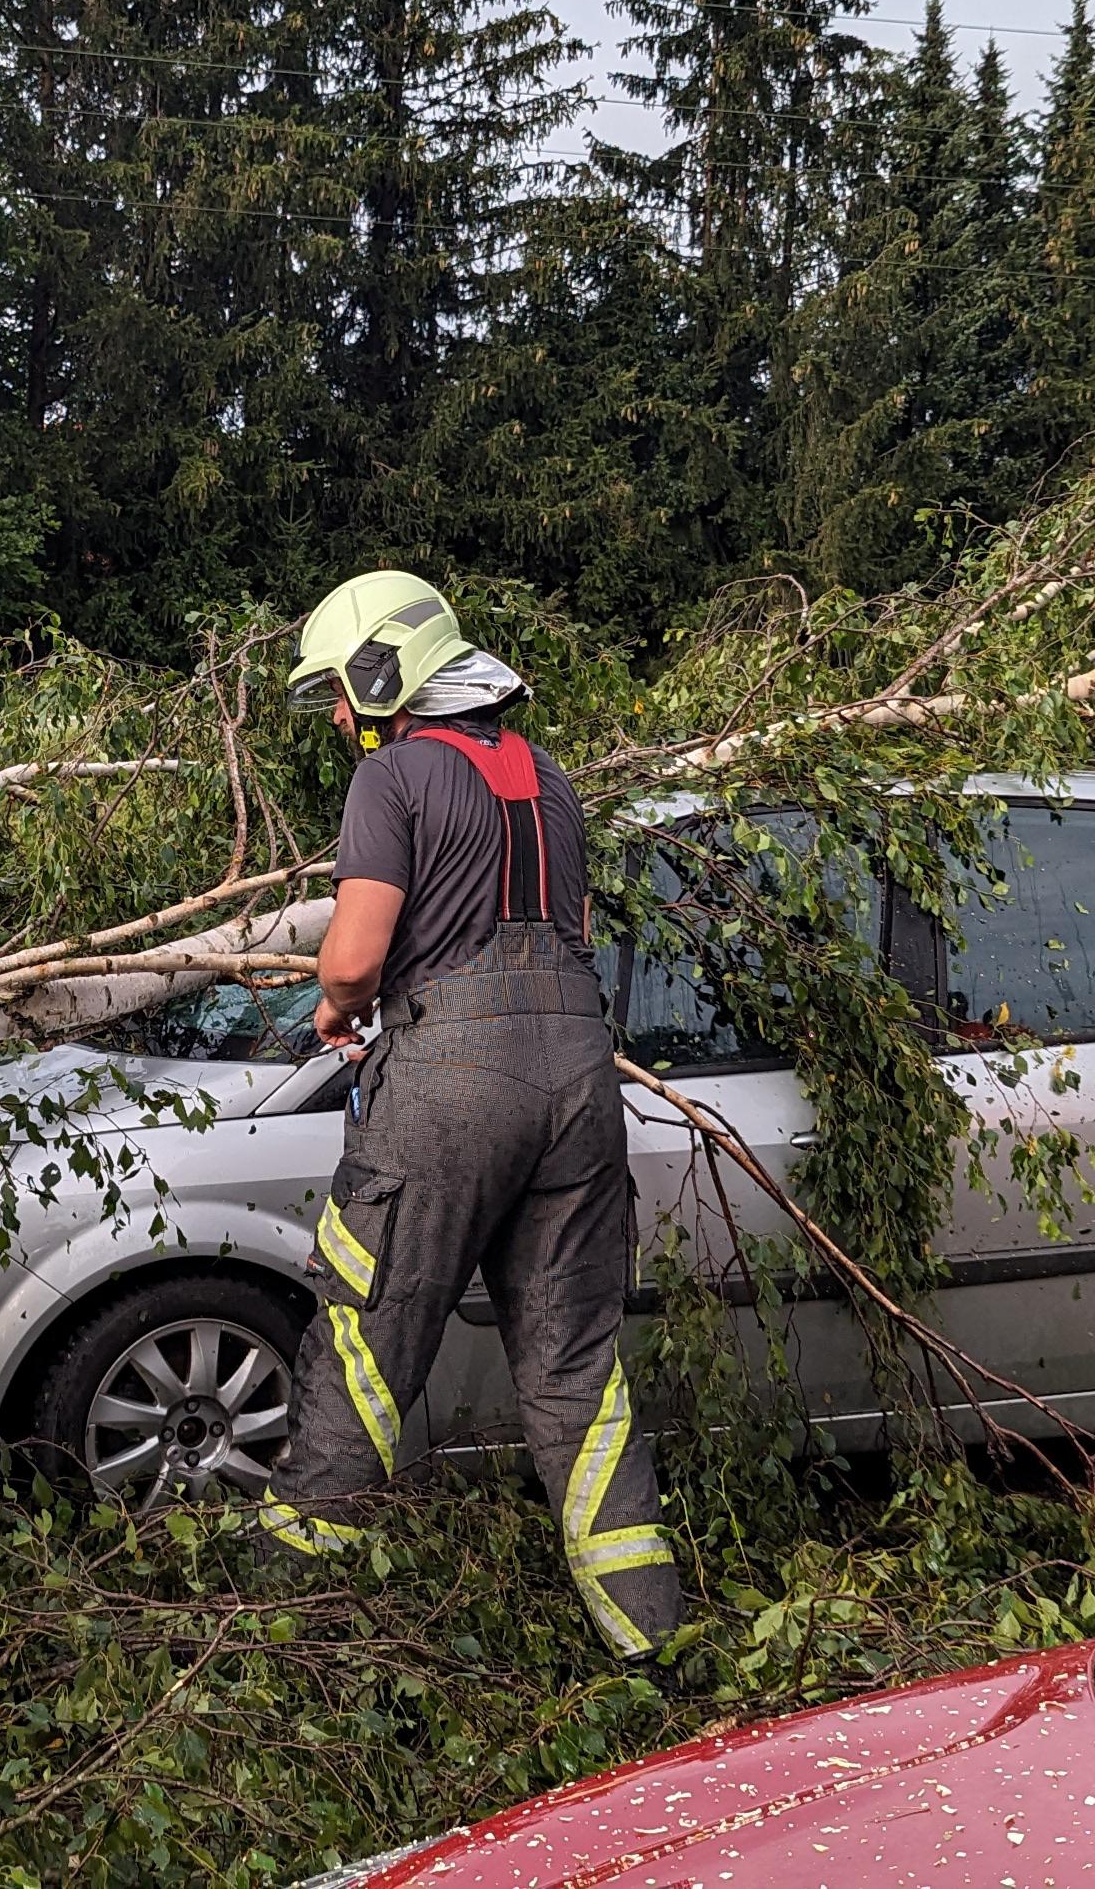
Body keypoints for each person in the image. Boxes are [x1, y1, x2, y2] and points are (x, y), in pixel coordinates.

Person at [255, 571, 683, 1667]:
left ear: (384, 674)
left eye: (341, 694)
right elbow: (572, 929)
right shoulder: (550, 779)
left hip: (447, 1090)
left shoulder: (394, 777)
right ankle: (650, 1643)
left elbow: (354, 956)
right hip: (581, 1088)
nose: (340, 718)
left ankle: (285, 1633)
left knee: (367, 1339)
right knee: (579, 1369)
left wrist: (337, 1007)